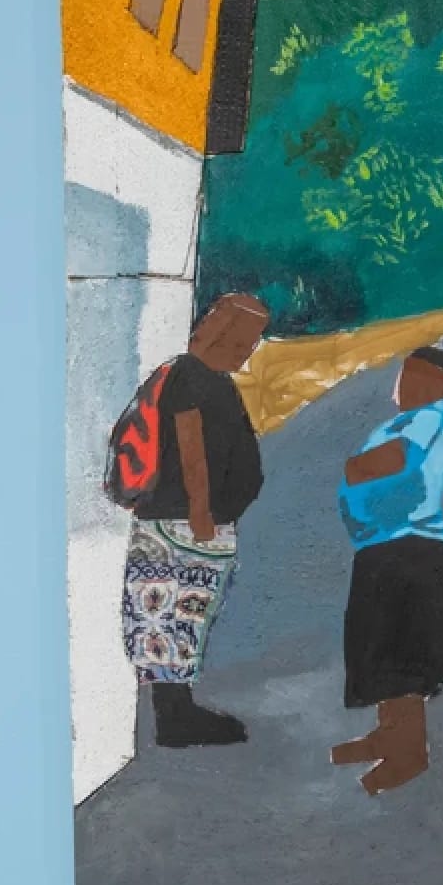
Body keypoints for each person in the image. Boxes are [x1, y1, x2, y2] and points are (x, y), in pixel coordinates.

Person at [117, 293, 270, 748]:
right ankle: (175, 718)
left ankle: (176, 712)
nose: (249, 350)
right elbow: (191, 448)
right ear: (221, 334)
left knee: (174, 615)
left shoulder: (203, 377)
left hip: (182, 521)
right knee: (174, 613)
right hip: (184, 523)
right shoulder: (191, 376)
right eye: (245, 339)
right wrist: (202, 510)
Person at [333, 347, 443, 793]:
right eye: (405, 376)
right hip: (381, 549)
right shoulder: (399, 421)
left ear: (439, 388)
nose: (407, 385)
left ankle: (409, 752)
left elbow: (388, 462)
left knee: (404, 654)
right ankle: (388, 732)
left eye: (421, 379)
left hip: (411, 552)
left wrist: (353, 468)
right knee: (378, 647)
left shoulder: (429, 419)